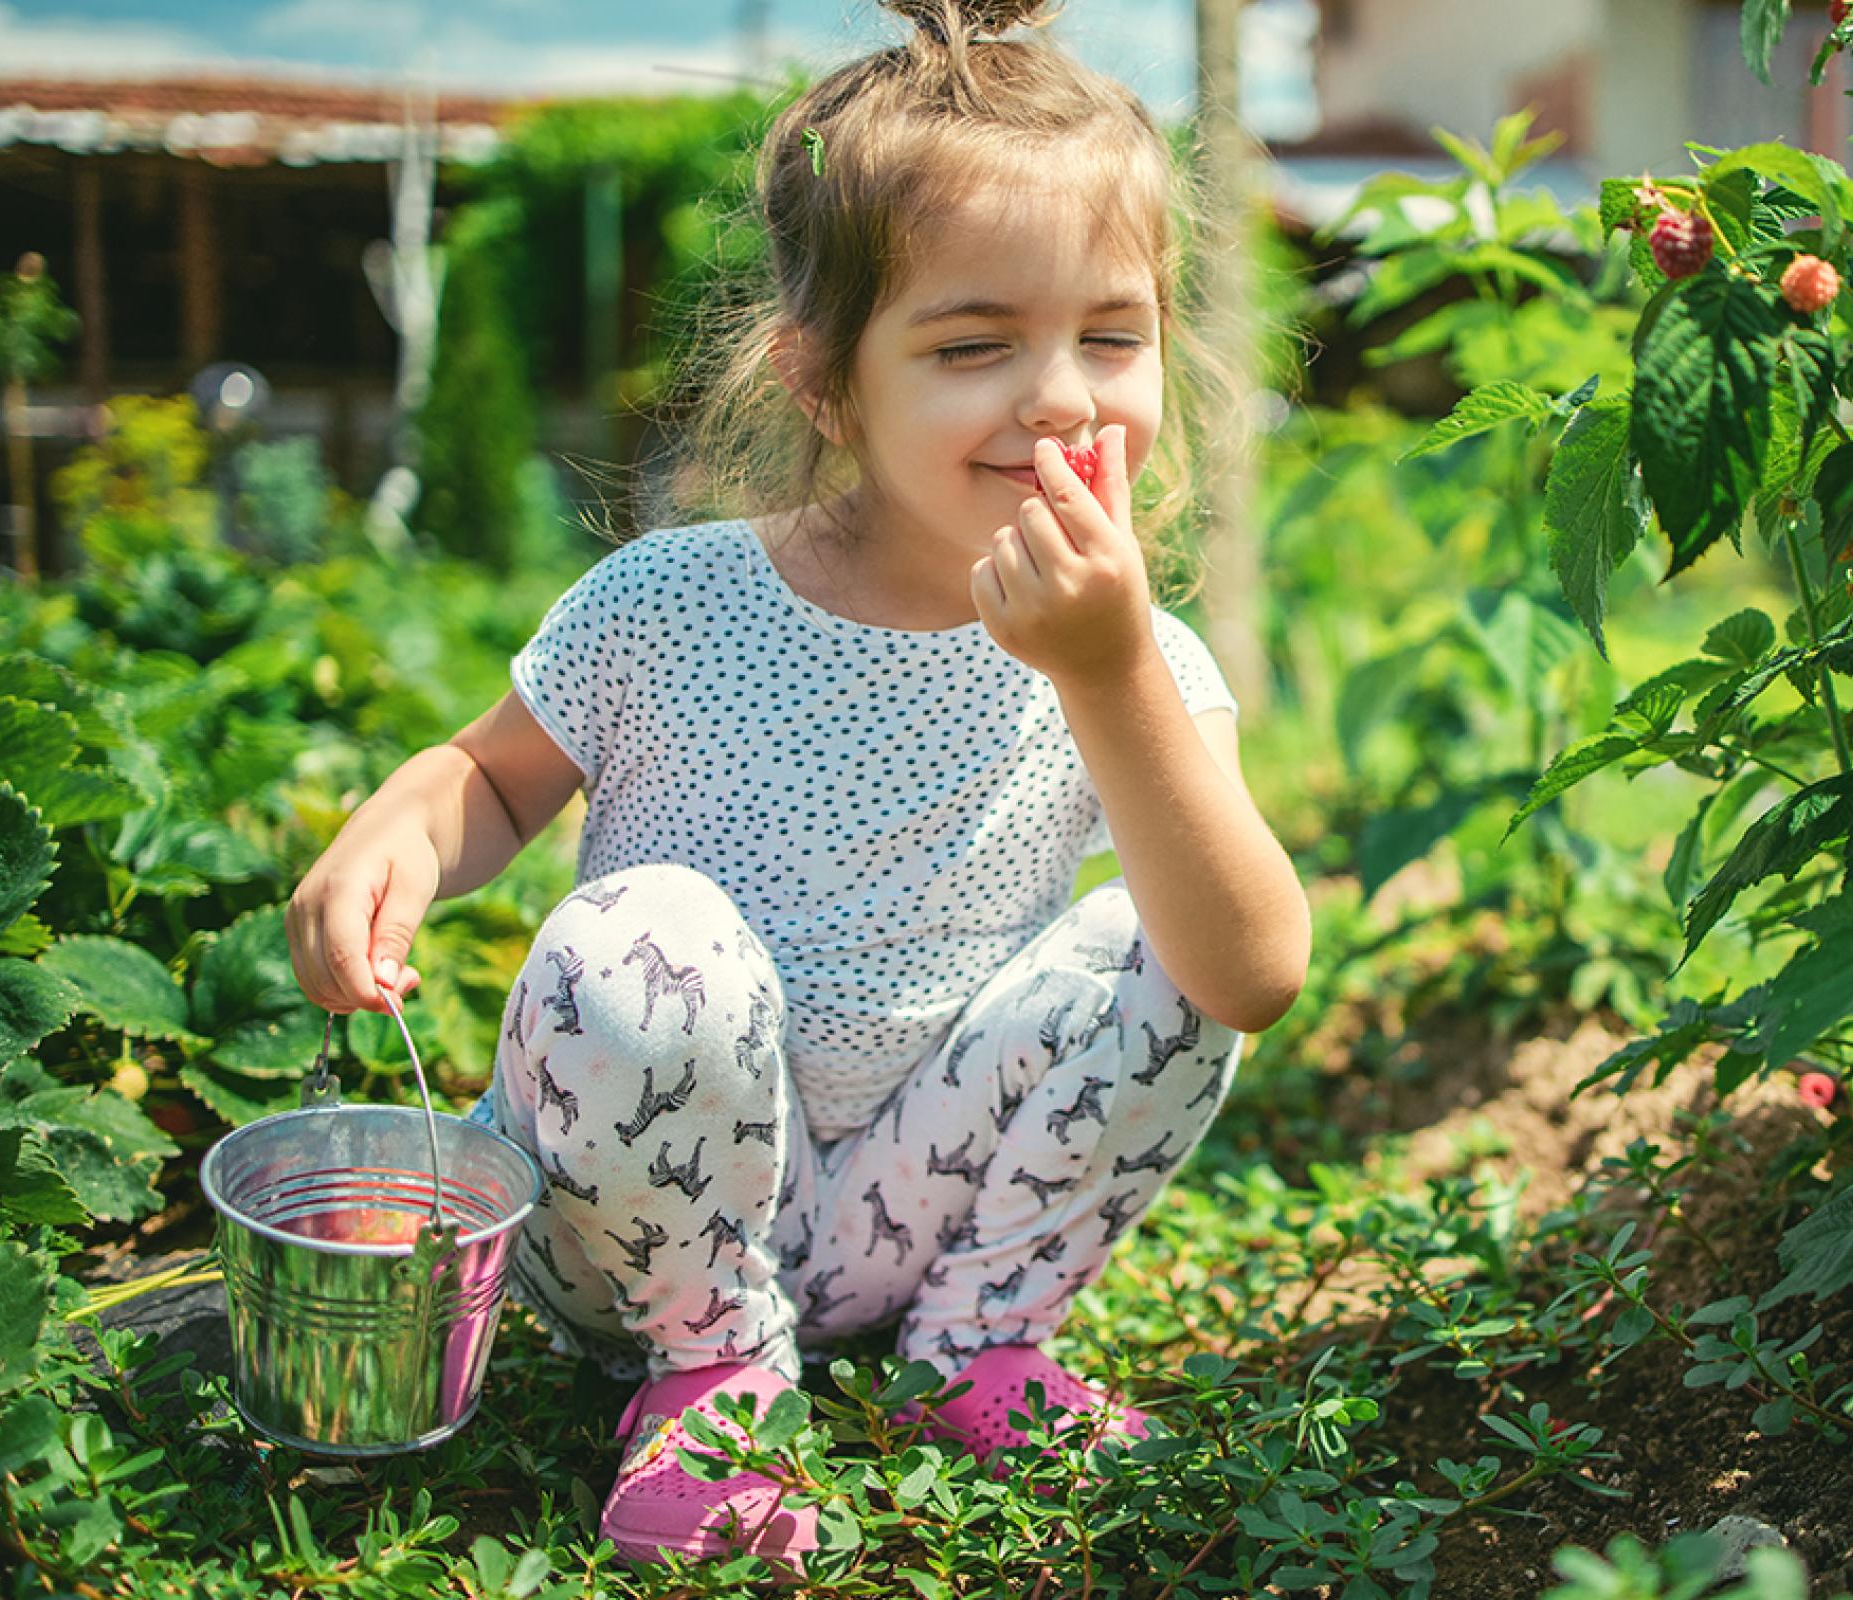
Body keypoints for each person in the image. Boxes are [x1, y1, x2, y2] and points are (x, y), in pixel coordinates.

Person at [282, 0, 1309, 1574]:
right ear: (823, 381)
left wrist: (1107, 676)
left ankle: (975, 1349)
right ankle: (709, 1378)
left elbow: (1249, 973)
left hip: (926, 1210)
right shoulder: (673, 603)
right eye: (974, 346)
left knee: (1154, 929)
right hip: (635, 1231)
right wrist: (393, 834)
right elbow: (485, 782)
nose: (1060, 399)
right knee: (649, 928)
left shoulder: (1139, 662)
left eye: (1112, 334)